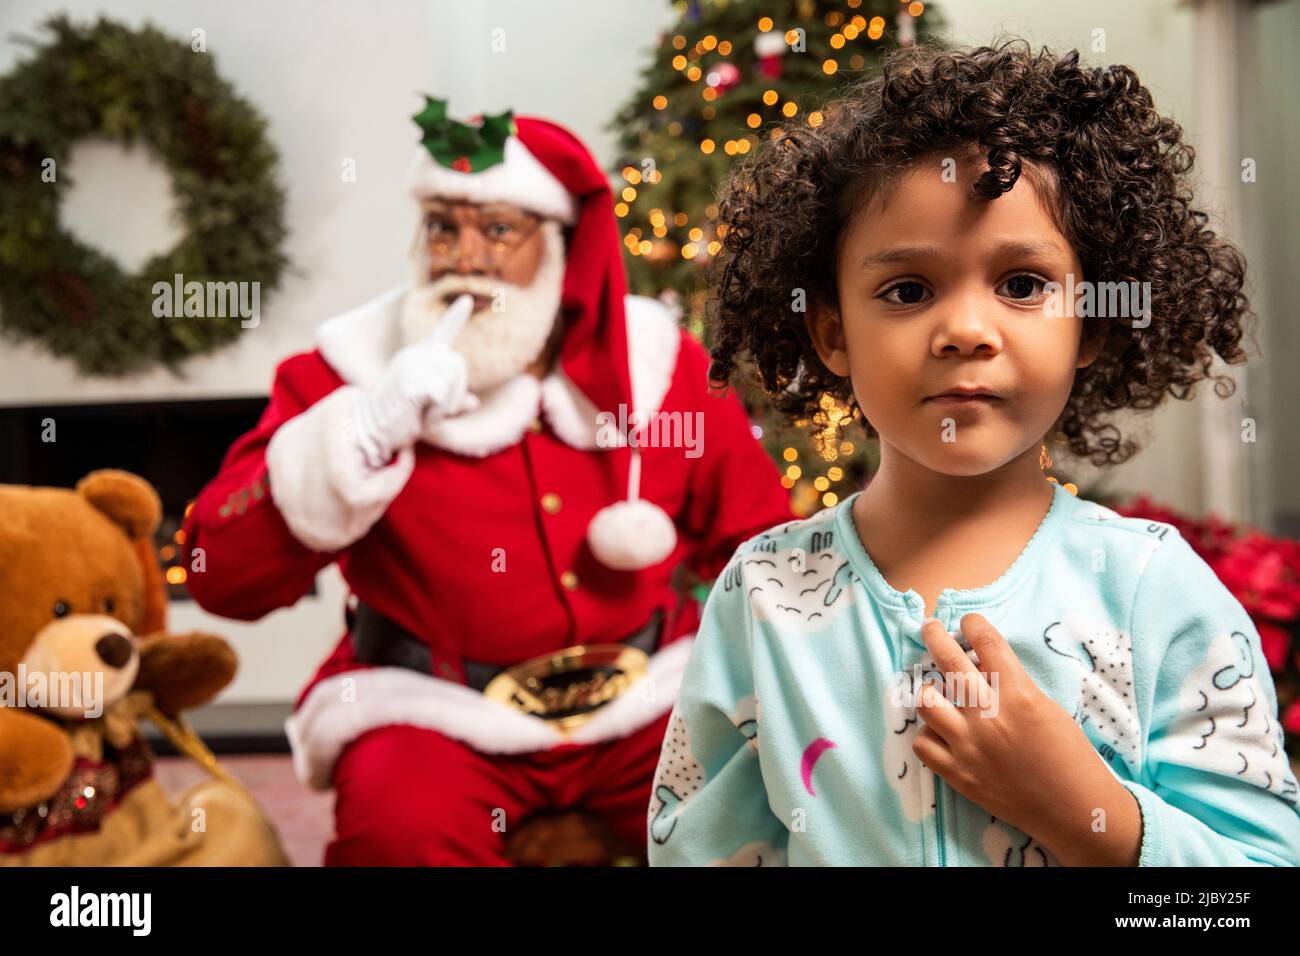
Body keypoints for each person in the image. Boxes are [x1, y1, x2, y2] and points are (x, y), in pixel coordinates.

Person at [647, 42, 1300, 866]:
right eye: (908, 290)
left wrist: (1084, 812)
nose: (965, 330)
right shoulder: (764, 597)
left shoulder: (1151, 590)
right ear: (833, 332)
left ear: (1090, 325)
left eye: (1023, 284)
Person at [181, 99, 792, 865]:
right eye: (443, 226)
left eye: (498, 230)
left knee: (763, 802)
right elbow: (216, 577)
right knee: (397, 834)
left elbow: (762, 551)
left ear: (562, 248)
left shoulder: (658, 367)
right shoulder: (347, 375)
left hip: (645, 702)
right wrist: (361, 433)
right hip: (434, 714)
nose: (462, 256)